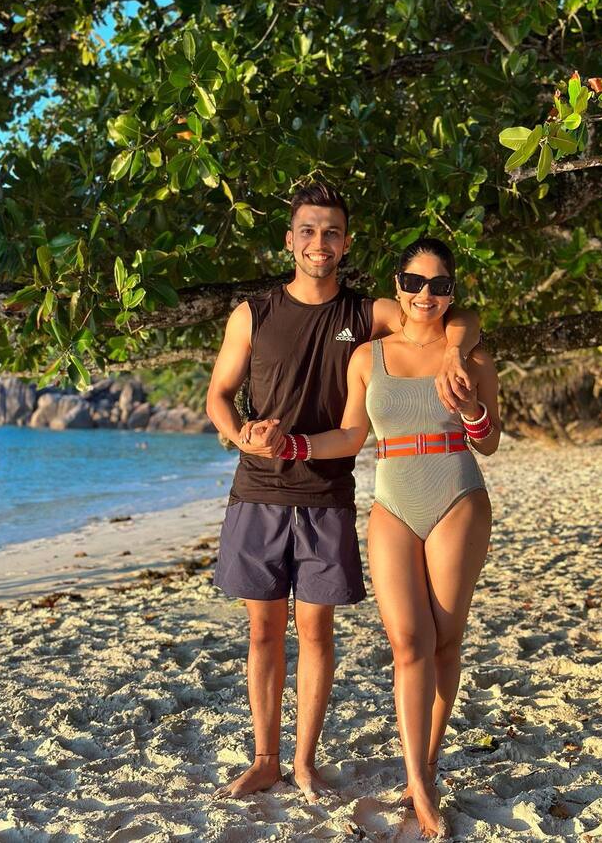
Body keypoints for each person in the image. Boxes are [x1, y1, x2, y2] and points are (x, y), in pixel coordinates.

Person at [205, 184, 481, 803]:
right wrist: (241, 437)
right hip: (257, 490)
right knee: (261, 633)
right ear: (290, 239)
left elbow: (443, 312)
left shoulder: (367, 313)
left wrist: (458, 348)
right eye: (308, 231)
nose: (319, 243)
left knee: (318, 632)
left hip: (327, 491)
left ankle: (304, 762)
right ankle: (265, 758)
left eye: (331, 232)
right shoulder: (253, 312)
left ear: (346, 243)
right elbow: (218, 395)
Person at [254, 237, 500, 838]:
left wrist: (469, 406)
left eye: (440, 286)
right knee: (408, 642)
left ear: (452, 294)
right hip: (391, 501)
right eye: (414, 284)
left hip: (458, 496)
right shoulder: (366, 357)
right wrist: (291, 447)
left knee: (445, 640)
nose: (426, 296)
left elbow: (489, 440)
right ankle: (416, 780)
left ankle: (428, 768)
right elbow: (350, 435)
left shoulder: (472, 355)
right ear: (398, 288)